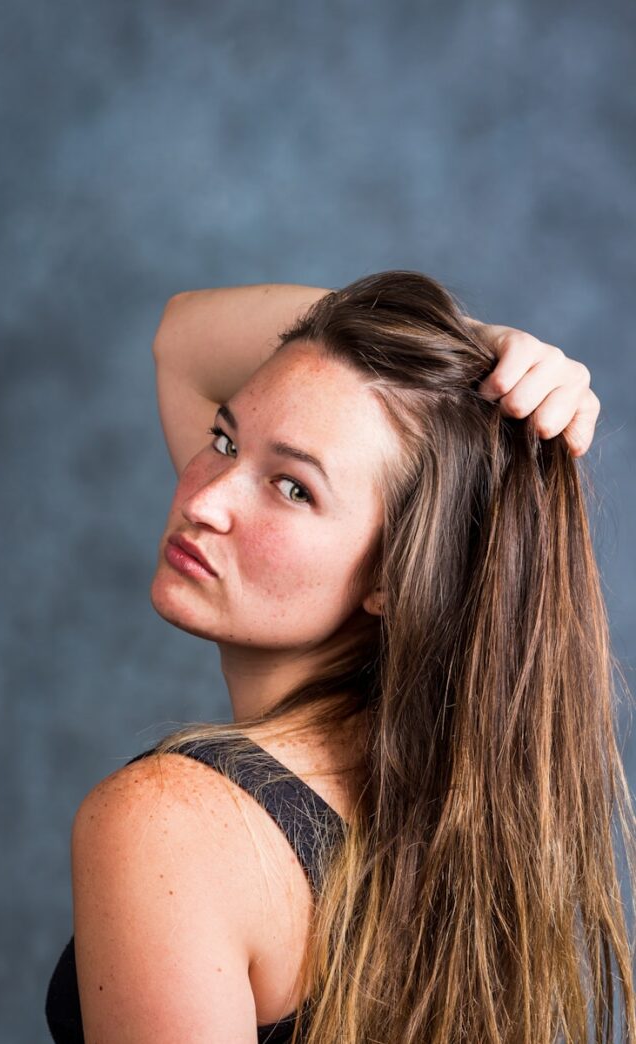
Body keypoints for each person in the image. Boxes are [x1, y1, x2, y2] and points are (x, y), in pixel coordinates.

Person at [45, 272, 634, 1043]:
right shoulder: (460, 817)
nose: (204, 500)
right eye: (223, 440)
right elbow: (183, 340)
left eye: (293, 489)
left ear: (394, 578)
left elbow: (183, 341)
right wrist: (475, 352)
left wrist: (467, 368)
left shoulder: (172, 825)